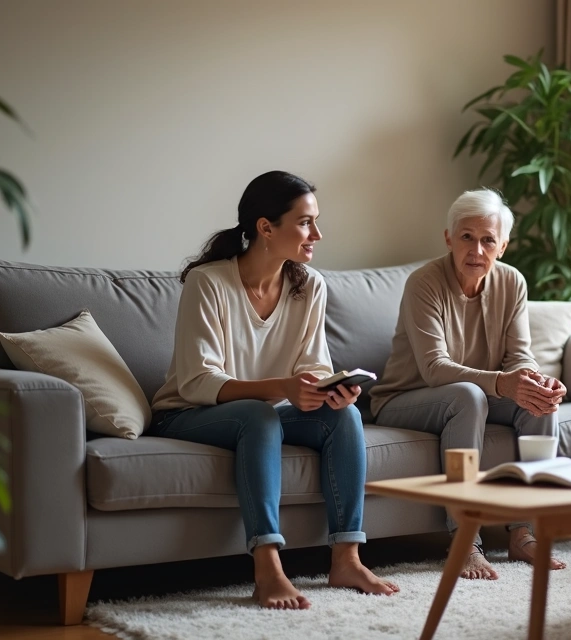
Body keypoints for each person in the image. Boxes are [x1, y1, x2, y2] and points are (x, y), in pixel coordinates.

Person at [149, 171, 397, 610]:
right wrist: (282, 387)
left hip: (263, 414)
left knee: (345, 416)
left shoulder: (310, 286)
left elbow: (313, 365)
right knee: (258, 413)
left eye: (315, 221)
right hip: (189, 413)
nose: (316, 234)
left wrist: (331, 390)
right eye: (304, 223)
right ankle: (268, 570)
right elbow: (197, 380)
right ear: (265, 227)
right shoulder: (208, 283)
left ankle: (346, 558)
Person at [370, 188, 568, 580]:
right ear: (449, 238)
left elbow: (519, 355)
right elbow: (433, 368)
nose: (476, 249)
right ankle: (466, 540)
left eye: (488, 240)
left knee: (539, 400)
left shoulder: (513, 283)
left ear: (503, 246)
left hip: (475, 394)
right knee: (467, 396)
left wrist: (534, 380)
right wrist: (502, 383)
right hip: (404, 398)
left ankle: (525, 530)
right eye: (466, 237)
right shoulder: (423, 283)